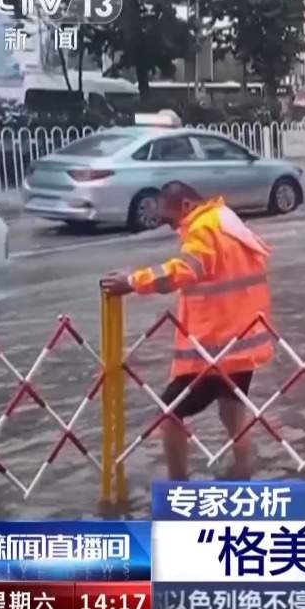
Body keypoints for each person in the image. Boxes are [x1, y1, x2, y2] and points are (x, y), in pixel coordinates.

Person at [100, 181, 273, 481]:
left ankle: (176, 487)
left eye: (169, 219)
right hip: (242, 343)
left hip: (214, 349)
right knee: (232, 414)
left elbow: (182, 271)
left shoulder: (203, 229)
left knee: (168, 415)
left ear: (185, 206)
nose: (170, 227)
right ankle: (243, 473)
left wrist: (132, 281)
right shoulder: (227, 220)